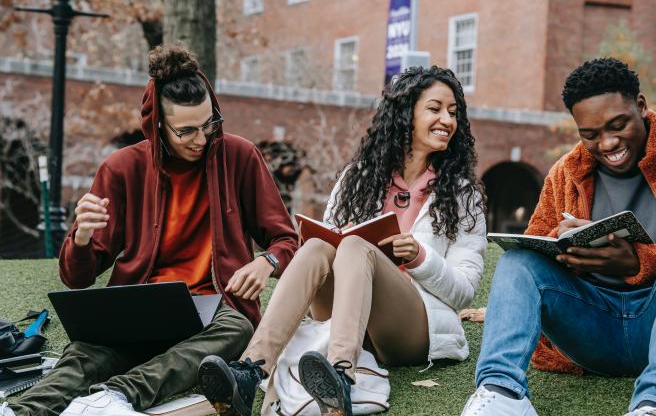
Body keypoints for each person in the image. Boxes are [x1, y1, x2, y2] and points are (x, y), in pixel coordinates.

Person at [0, 44, 298, 416]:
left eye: (209, 124)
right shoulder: (121, 168)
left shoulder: (241, 156)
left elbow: (286, 240)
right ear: (158, 126)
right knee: (86, 351)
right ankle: (16, 413)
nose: (202, 139)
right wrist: (81, 237)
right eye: (186, 131)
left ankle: (114, 398)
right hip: (139, 307)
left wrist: (266, 261)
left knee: (237, 328)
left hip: (216, 306)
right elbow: (76, 277)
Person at [462, 57, 656, 416]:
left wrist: (640, 261)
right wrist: (563, 241)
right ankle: (501, 393)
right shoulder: (565, 173)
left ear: (641, 106)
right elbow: (537, 244)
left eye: (618, 126)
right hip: (594, 331)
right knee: (518, 261)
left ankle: (655, 404)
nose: (607, 143)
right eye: (590, 135)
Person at [196, 66, 488, 416]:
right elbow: (329, 245)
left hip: (412, 326)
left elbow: (465, 289)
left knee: (354, 246)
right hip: (345, 316)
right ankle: (250, 370)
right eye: (435, 108)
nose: (447, 120)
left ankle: (341, 376)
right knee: (320, 246)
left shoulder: (461, 194)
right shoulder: (357, 177)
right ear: (405, 114)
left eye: (453, 112)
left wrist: (420, 257)